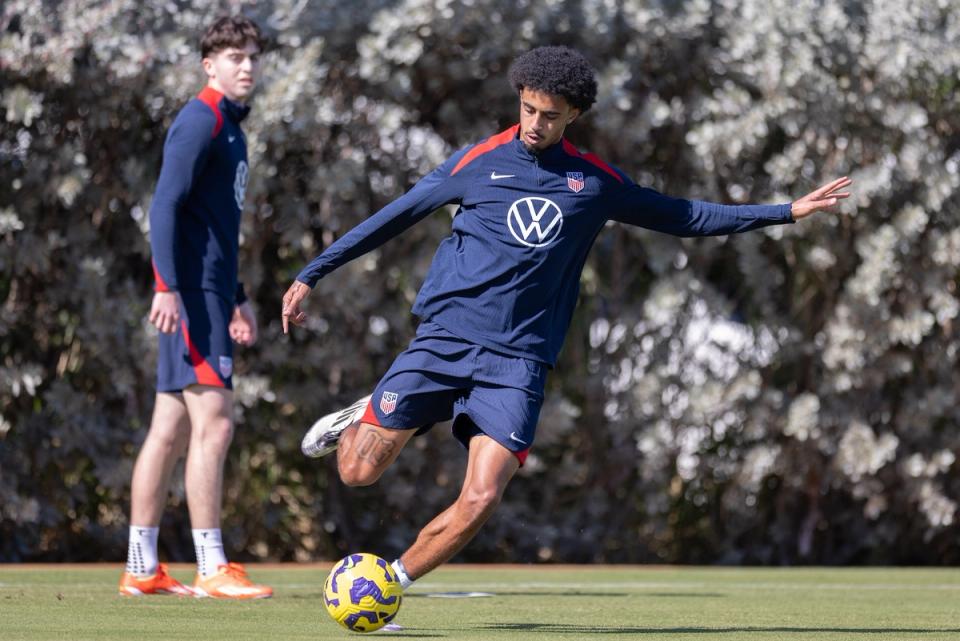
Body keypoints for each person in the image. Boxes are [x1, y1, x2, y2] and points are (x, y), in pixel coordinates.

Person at [282, 46, 851, 591]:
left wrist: (786, 211)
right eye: (527, 109)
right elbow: (395, 216)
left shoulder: (596, 184)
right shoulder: (477, 162)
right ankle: (367, 408)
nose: (534, 123)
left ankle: (390, 583)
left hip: (518, 363)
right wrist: (313, 272)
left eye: (549, 116)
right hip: (444, 341)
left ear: (573, 115)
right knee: (357, 473)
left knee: (481, 497)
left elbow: (684, 215)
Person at [119, 15, 272, 599]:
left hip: (211, 296)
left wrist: (236, 297)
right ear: (210, 65)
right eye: (235, 56)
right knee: (216, 423)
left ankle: (141, 566)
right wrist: (166, 286)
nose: (247, 65)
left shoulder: (233, 129)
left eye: (252, 55)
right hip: (189, 299)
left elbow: (216, 229)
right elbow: (164, 206)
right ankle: (212, 565)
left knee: (170, 429)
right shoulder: (200, 118)